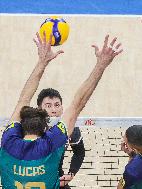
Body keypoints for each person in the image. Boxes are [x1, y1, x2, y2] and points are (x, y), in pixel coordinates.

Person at [0, 32, 122, 188]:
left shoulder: (8, 141)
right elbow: (78, 104)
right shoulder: (51, 143)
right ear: (45, 127)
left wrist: (42, 62)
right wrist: (101, 65)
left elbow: (23, 99)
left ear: (20, 125)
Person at [37, 88, 85, 188]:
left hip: (57, 177)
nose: (54, 110)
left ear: (62, 108)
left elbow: (79, 152)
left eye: (57, 105)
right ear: (39, 109)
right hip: (33, 178)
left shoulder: (70, 127)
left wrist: (71, 174)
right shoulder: (31, 127)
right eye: (48, 106)